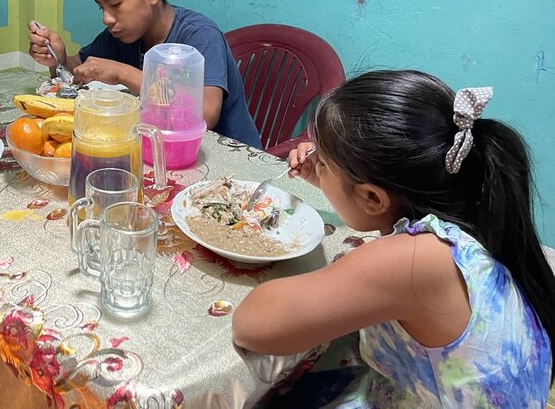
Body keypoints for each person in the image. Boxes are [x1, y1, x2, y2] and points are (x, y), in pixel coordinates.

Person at [232, 70, 554, 407]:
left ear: (373, 198)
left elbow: (252, 326)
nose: (313, 162)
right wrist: (331, 179)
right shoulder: (468, 209)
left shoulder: (414, 260)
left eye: (323, 163)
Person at [28, 0, 261, 148]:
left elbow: (205, 114)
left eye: (115, 4)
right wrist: (58, 59)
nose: (106, 18)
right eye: (102, 7)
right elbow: (79, 70)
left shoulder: (199, 36)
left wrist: (122, 73)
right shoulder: (123, 34)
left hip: (228, 163)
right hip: (163, 151)